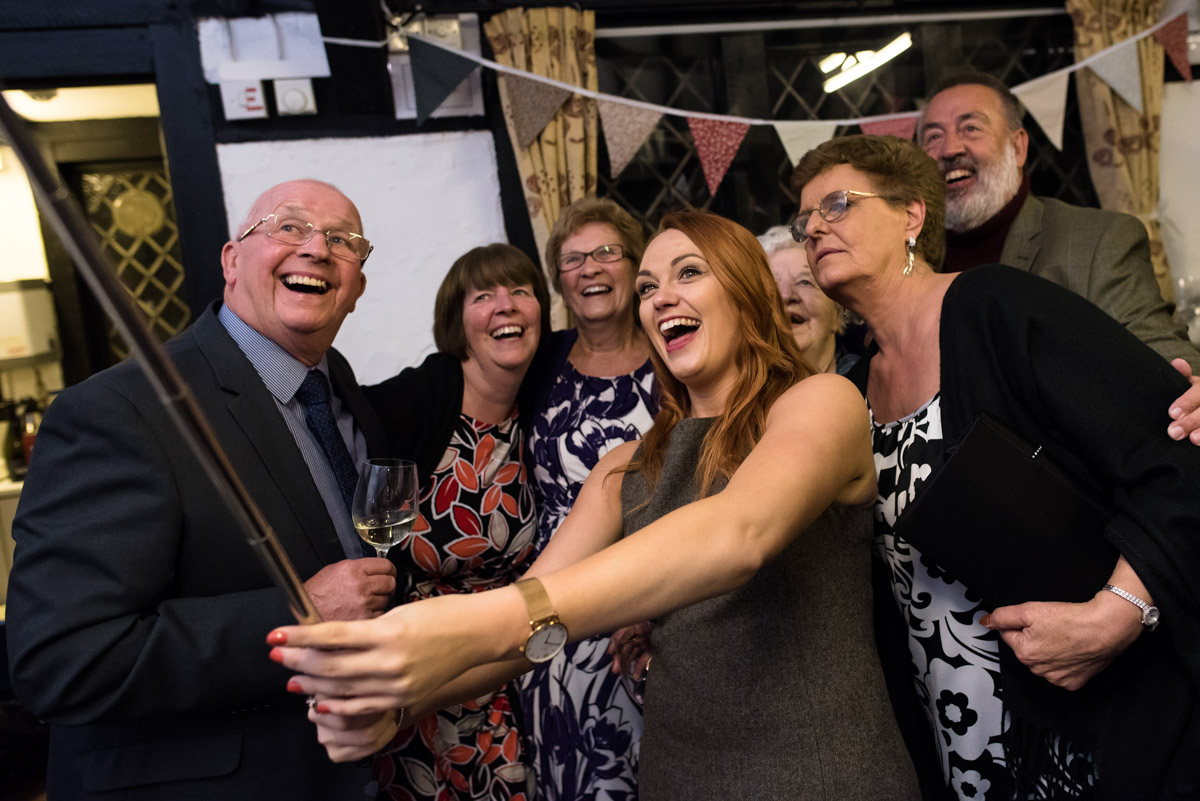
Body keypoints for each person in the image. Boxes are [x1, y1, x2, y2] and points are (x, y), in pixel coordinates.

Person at [269, 211, 922, 801]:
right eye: (647, 286)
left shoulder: (820, 403)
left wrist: (466, 621)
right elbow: (529, 624)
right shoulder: (625, 465)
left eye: (688, 272)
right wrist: (401, 700)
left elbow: (737, 533)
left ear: (748, 293)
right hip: (679, 774)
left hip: (821, 770)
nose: (660, 295)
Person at [790, 134, 1200, 800]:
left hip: (1086, 715)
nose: (815, 229)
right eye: (803, 222)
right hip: (956, 731)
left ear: (912, 216)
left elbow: (1175, 452)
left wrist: (1119, 613)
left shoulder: (994, 307)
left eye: (836, 204)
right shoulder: (852, 388)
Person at [6, 179, 395, 799]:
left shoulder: (341, 391)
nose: (318, 249)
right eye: (288, 227)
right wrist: (298, 616)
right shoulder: (119, 409)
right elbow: (63, 659)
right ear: (232, 261)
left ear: (357, 289)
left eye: (343, 241)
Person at [358, 243, 550, 801]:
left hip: (500, 673)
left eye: (520, 291)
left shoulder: (538, 407)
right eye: (483, 295)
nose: (506, 306)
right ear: (457, 323)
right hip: (418, 674)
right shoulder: (415, 402)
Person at [918, 70, 1200, 376]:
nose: (949, 150)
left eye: (971, 128)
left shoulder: (1098, 241)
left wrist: (1191, 393)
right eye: (933, 137)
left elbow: (1167, 358)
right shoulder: (907, 256)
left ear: (1018, 148)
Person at [520, 197, 656, 801]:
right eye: (572, 259)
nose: (590, 268)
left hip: (658, 595)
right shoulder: (537, 359)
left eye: (606, 252)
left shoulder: (678, 353)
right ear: (559, 282)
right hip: (557, 606)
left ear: (634, 265)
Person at [758, 224, 858, 375]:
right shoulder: (741, 394)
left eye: (805, 282)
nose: (785, 296)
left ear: (837, 313)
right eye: (772, 285)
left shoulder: (872, 388)